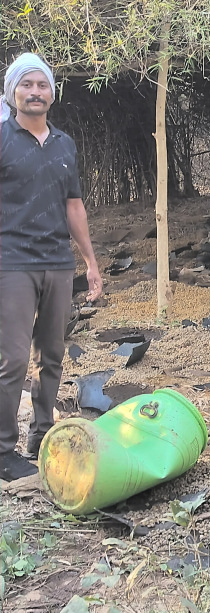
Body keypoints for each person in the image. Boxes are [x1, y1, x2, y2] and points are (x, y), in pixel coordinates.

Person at [0, 53, 103, 481]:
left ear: (52, 94)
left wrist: (90, 262)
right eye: (27, 85)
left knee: (54, 355)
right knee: (13, 359)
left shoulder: (64, 143)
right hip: (12, 264)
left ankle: (41, 434)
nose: (35, 92)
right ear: (12, 93)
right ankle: (4, 450)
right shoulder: (2, 139)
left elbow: (73, 206)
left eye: (42, 85)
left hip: (58, 263)